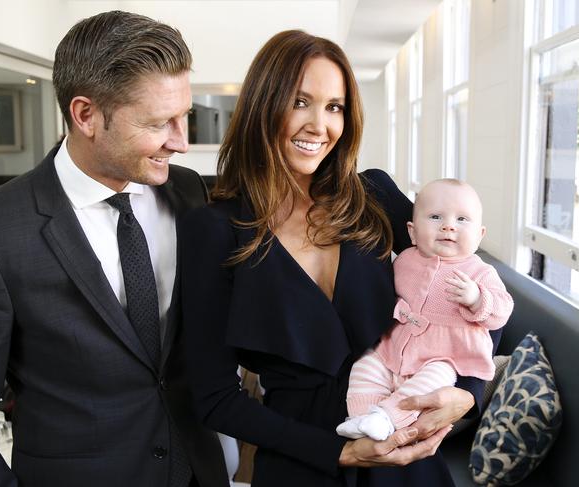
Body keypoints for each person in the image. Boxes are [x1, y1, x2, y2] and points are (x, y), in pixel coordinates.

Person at [180, 30, 502, 487]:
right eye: (299, 101)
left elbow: (478, 286)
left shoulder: (371, 196)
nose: (320, 125)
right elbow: (214, 398)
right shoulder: (214, 229)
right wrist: (341, 453)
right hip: (304, 462)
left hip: (405, 450)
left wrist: (467, 393)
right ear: (262, 104)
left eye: (335, 107)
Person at [0, 11, 228, 487]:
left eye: (184, 117)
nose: (182, 142)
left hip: (196, 471)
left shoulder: (188, 191)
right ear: (86, 115)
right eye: (159, 123)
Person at [336, 179, 513, 441]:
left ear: (480, 235)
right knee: (366, 366)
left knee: (434, 380)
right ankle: (361, 417)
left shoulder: (480, 272)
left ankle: (386, 418)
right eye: (435, 216)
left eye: (462, 220)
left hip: (445, 357)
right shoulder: (406, 260)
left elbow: (503, 310)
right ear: (412, 232)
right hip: (395, 348)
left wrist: (478, 299)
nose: (448, 225)